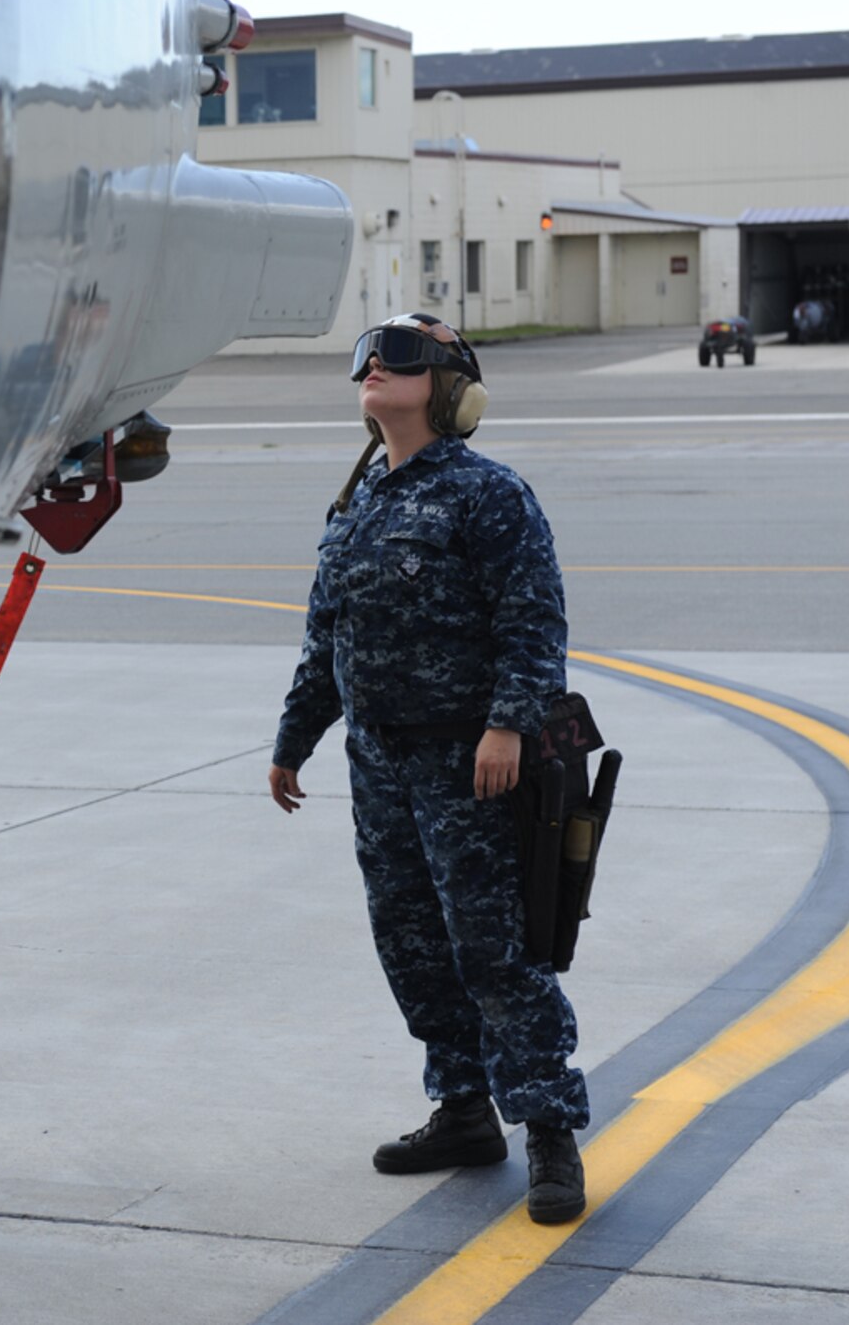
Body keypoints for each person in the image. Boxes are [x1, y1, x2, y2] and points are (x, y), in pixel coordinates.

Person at [267, 313, 588, 1224]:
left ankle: (551, 1132)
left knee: (497, 951)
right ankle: (461, 1110)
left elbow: (533, 622)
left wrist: (508, 727)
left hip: (470, 764)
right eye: (366, 353)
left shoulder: (488, 495)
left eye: (401, 355)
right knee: (410, 943)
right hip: (380, 767)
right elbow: (326, 637)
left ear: (449, 389)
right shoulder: (361, 499)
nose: (374, 365)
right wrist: (296, 739)